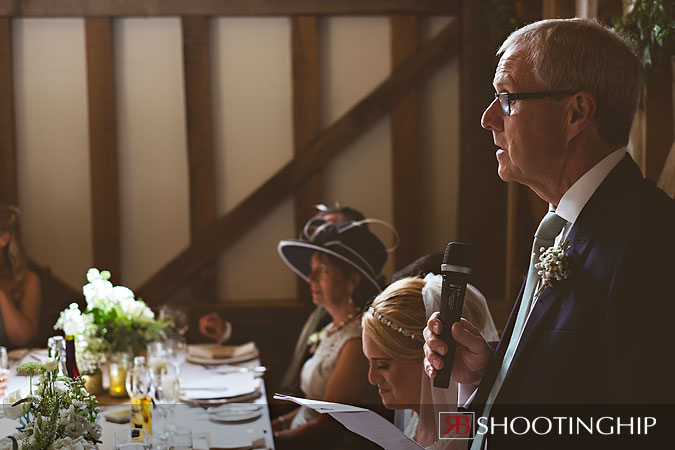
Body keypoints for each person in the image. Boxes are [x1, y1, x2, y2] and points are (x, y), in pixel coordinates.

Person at [423, 18, 675, 449]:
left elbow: (646, 429)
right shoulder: (563, 225)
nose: (487, 119)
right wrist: (488, 376)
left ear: (576, 112)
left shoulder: (648, 239)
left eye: (506, 98)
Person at [272, 219, 388, 449]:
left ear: (352, 281)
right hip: (300, 431)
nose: (310, 279)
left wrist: (269, 443)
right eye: (312, 270)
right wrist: (273, 426)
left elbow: (328, 427)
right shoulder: (331, 328)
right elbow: (310, 408)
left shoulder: (357, 342)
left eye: (322, 270)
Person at [362, 274, 498, 450]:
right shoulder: (417, 420)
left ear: (429, 355)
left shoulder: (460, 440)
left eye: (383, 365)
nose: (372, 378)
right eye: (368, 363)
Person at [0, 205, 41, 348]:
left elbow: (23, 339)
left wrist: (2, 294)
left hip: (12, 367)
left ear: (4, 239)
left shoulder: (28, 280)